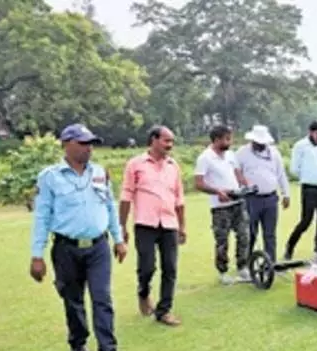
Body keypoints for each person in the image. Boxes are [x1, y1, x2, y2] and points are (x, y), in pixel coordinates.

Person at [29, 123, 137, 351]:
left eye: (91, 143)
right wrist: (37, 255)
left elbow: (109, 207)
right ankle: (78, 343)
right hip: (67, 248)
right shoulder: (50, 177)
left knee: (102, 298)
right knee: (73, 298)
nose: (88, 148)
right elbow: (42, 217)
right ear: (67, 144)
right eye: (83, 143)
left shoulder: (100, 173)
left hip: (98, 246)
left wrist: (118, 239)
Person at [119, 125, 186, 326]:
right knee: (147, 267)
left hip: (169, 223)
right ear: (154, 140)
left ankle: (164, 310)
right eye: (166, 141)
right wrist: (121, 227)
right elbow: (126, 196)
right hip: (145, 223)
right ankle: (143, 291)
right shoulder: (135, 164)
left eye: (171, 141)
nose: (170, 145)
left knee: (170, 268)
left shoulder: (173, 166)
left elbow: (179, 199)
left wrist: (182, 226)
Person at [194, 124, 252, 285]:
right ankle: (223, 271)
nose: (230, 142)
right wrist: (217, 191)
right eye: (227, 139)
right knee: (222, 240)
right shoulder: (205, 158)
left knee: (244, 235)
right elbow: (198, 183)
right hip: (220, 207)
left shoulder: (230, 155)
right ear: (217, 139)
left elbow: (237, 173)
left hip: (237, 201)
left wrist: (245, 185)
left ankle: (243, 267)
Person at [233, 124, 291, 263]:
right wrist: (241, 184)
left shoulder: (274, 153)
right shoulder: (242, 153)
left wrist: (286, 194)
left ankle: (270, 263)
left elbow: (281, 174)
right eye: (258, 142)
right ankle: (246, 263)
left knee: (270, 234)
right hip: (251, 198)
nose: (261, 145)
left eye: (263, 142)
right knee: (250, 233)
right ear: (252, 140)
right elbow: (235, 171)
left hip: (271, 198)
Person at [284, 120, 317, 261]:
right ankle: (290, 245)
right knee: (306, 220)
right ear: (311, 132)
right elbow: (294, 168)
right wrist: (308, 176)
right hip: (309, 188)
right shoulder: (300, 146)